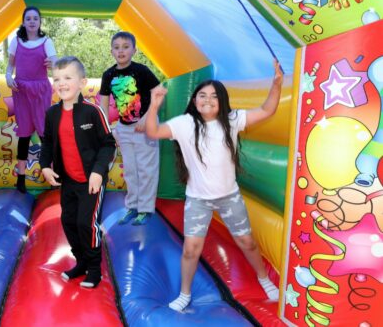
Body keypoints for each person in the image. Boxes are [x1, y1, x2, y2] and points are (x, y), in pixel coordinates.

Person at [145, 59, 283, 312]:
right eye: (201, 95)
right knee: (190, 250)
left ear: (221, 101)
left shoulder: (231, 119)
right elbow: (152, 132)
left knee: (248, 243)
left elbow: (267, 110)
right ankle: (184, 293)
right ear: (195, 100)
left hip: (229, 197)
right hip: (198, 199)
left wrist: (276, 85)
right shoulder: (184, 124)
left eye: (213, 96)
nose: (207, 99)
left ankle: (264, 278)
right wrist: (154, 106)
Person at [40, 56, 116, 288]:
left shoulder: (92, 112)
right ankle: (81, 262)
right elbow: (48, 142)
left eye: (68, 78)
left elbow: (108, 144)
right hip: (70, 181)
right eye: (57, 79)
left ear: (82, 82)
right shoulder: (52, 113)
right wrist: (44, 166)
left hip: (91, 180)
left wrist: (98, 172)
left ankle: (94, 269)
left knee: (86, 223)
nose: (61, 83)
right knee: (69, 221)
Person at [100, 31, 160, 226]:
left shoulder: (141, 71)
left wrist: (147, 117)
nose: (121, 51)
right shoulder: (108, 74)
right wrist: (106, 128)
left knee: (146, 168)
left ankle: (146, 209)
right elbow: (103, 103)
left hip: (145, 124)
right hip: (124, 127)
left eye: (126, 47)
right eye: (117, 47)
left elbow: (158, 93)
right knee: (131, 170)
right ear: (111, 52)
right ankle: (132, 206)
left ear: (134, 50)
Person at [6, 6, 58, 194]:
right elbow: (10, 66)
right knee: (24, 134)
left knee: (45, 133)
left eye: (35, 18)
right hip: (21, 90)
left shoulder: (46, 41)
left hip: (40, 89)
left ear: (40, 22)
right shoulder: (16, 41)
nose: (32, 21)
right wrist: (8, 77)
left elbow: (56, 64)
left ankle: (52, 176)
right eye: (28, 18)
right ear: (23, 22)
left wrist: (53, 64)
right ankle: (21, 178)